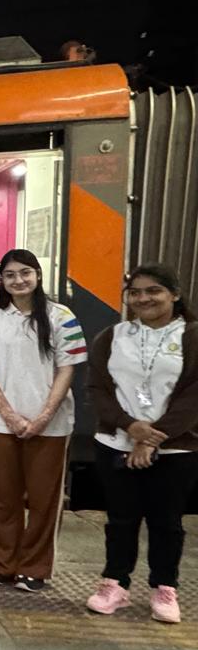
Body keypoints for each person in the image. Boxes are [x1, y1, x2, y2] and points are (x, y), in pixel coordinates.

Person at [86, 264, 198, 624]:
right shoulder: (112, 336)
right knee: (121, 519)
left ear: (174, 294)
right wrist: (131, 427)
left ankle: (164, 588)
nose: (143, 298)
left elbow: (193, 396)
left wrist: (153, 438)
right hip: (115, 442)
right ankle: (114, 584)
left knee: (167, 522)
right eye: (135, 293)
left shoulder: (191, 336)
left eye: (153, 291)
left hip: (175, 449)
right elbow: (98, 389)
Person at [0, 248, 87, 592]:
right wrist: (8, 414)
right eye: (10, 275)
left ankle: (34, 568)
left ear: (37, 275)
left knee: (44, 500)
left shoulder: (61, 316)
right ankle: (2, 565)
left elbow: (67, 369)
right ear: (2, 281)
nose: (18, 280)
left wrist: (44, 415)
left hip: (51, 426)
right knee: (1, 498)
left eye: (25, 273)